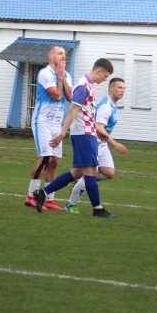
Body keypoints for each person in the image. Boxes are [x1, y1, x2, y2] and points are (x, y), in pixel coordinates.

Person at [33, 58, 116, 218]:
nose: (104, 80)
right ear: (98, 71)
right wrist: (62, 133)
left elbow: (85, 112)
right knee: (91, 170)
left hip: (88, 133)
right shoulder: (83, 86)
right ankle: (97, 209)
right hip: (84, 135)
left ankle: (42, 193)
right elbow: (73, 111)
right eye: (104, 76)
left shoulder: (88, 86)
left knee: (77, 173)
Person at [65, 78, 128, 213]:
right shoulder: (105, 106)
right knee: (88, 172)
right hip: (93, 142)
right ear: (111, 89)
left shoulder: (112, 104)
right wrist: (115, 144)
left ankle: (82, 181)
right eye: (119, 88)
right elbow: (99, 127)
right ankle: (71, 204)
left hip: (101, 144)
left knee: (109, 172)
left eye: (124, 88)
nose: (122, 91)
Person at [26, 45, 73, 211]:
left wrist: (63, 78)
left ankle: (49, 198)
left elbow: (70, 97)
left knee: (54, 162)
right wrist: (59, 78)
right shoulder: (45, 73)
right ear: (50, 56)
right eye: (59, 53)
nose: (63, 56)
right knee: (45, 158)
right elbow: (57, 95)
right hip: (43, 122)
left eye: (64, 54)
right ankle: (31, 196)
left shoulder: (66, 75)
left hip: (56, 123)